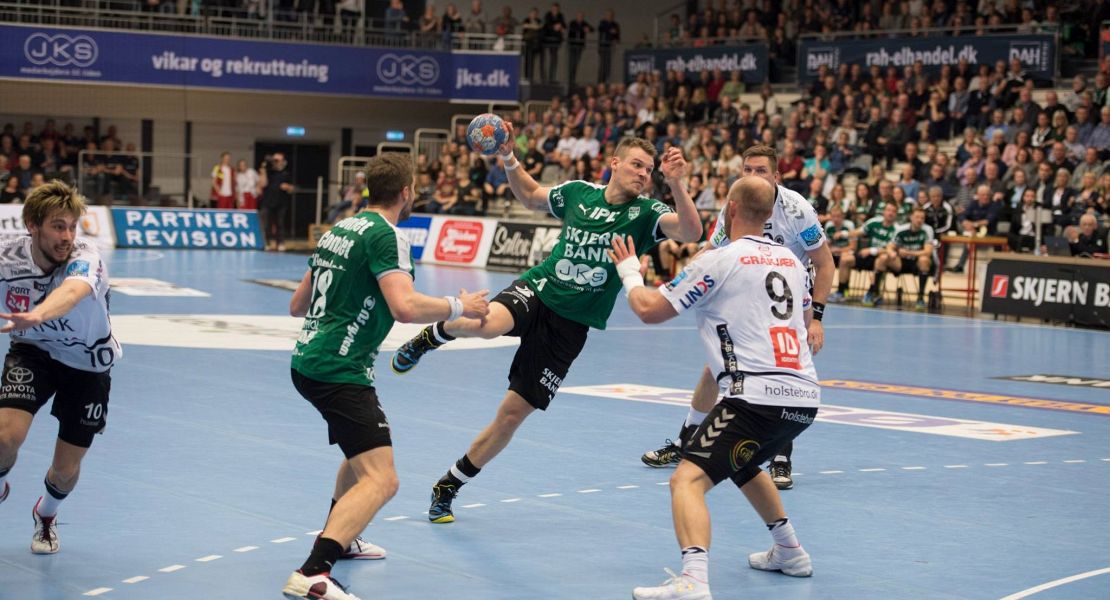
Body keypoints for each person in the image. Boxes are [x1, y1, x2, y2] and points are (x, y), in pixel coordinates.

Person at [390, 130, 702, 523]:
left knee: (510, 416)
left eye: (649, 169)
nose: (643, 174)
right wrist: (509, 159)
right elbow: (531, 196)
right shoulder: (578, 193)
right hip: (540, 288)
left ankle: (448, 485)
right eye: (636, 165)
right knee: (486, 324)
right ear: (615, 163)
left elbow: (691, 232)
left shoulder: (647, 213)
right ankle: (431, 337)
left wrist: (676, 182)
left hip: (570, 326)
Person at [281, 154, 490, 600]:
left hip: (310, 359)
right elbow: (405, 307)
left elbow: (297, 305)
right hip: (339, 369)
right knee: (383, 479)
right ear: (406, 192)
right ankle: (313, 572)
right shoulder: (387, 235)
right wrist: (461, 306)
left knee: (359, 456)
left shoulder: (338, 229)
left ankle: (344, 537)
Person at [612, 176, 819, 600]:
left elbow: (650, 310)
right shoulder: (793, 263)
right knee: (742, 463)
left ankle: (693, 580)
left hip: (754, 397)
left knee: (686, 480)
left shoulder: (720, 260)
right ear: (769, 214)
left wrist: (629, 272)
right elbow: (800, 319)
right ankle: (790, 552)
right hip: (804, 397)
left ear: (730, 210)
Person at [640, 145, 833, 492]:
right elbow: (712, 250)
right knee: (715, 367)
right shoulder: (738, 203)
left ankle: (781, 457)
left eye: (761, 170)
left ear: (777, 176)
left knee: (784, 370)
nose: (752, 176)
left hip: (789, 300)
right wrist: (684, 281)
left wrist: (816, 318)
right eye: (747, 169)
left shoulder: (797, 209)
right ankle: (686, 440)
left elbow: (825, 262)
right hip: (750, 296)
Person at [0, 180, 122, 554]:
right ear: (32, 226)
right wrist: (33, 325)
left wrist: (37, 314)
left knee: (66, 470)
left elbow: (71, 293)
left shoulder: (87, 257)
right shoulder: (7, 258)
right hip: (34, 350)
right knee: (4, 438)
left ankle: (47, 515)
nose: (67, 236)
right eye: (57, 226)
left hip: (87, 363)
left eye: (72, 226)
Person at [887, 208, 936, 310]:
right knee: (882, 258)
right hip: (903, 262)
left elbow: (928, 252)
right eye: (917, 217)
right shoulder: (901, 229)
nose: (919, 220)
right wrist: (892, 253)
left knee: (924, 260)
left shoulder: (927, 230)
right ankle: (873, 292)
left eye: (922, 218)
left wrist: (909, 252)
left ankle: (920, 297)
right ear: (911, 217)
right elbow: (890, 246)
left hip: (917, 262)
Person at [259, 153, 294, 251]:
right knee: (267, 224)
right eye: (274, 160)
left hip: (281, 202)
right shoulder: (268, 172)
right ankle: (267, 242)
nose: (275, 162)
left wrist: (288, 187)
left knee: (280, 223)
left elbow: (292, 188)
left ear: (282, 161)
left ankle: (280, 242)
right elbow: (263, 184)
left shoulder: (286, 173)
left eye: (278, 160)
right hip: (268, 202)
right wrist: (263, 171)